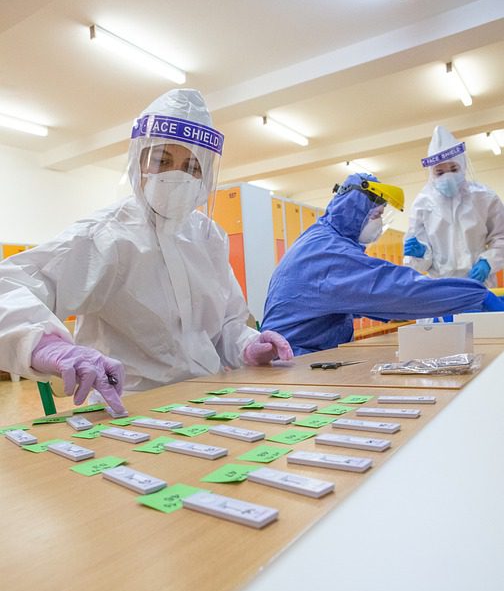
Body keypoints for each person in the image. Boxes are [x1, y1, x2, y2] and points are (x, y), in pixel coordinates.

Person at [0, 89, 292, 414]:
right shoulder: (106, 236)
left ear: (206, 175)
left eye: (192, 166)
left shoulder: (209, 237)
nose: (177, 176)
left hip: (208, 397)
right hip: (129, 408)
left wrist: (248, 344)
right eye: (162, 161)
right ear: (138, 162)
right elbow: (8, 286)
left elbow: (226, 323)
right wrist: (46, 345)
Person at [261, 172, 504, 356]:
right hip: (293, 361)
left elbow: (357, 298)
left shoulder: (320, 238)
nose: (379, 224)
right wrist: (475, 295)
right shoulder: (329, 252)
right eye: (377, 215)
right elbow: (399, 289)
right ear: (355, 211)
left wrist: (389, 310)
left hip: (296, 357)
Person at [404, 125, 504, 286]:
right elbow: (418, 264)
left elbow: (501, 237)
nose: (448, 176)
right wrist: (421, 253)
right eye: (440, 172)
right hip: (441, 287)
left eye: (453, 168)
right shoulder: (422, 205)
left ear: (462, 166)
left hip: (479, 284)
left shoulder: (484, 198)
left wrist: (488, 262)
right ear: (431, 173)